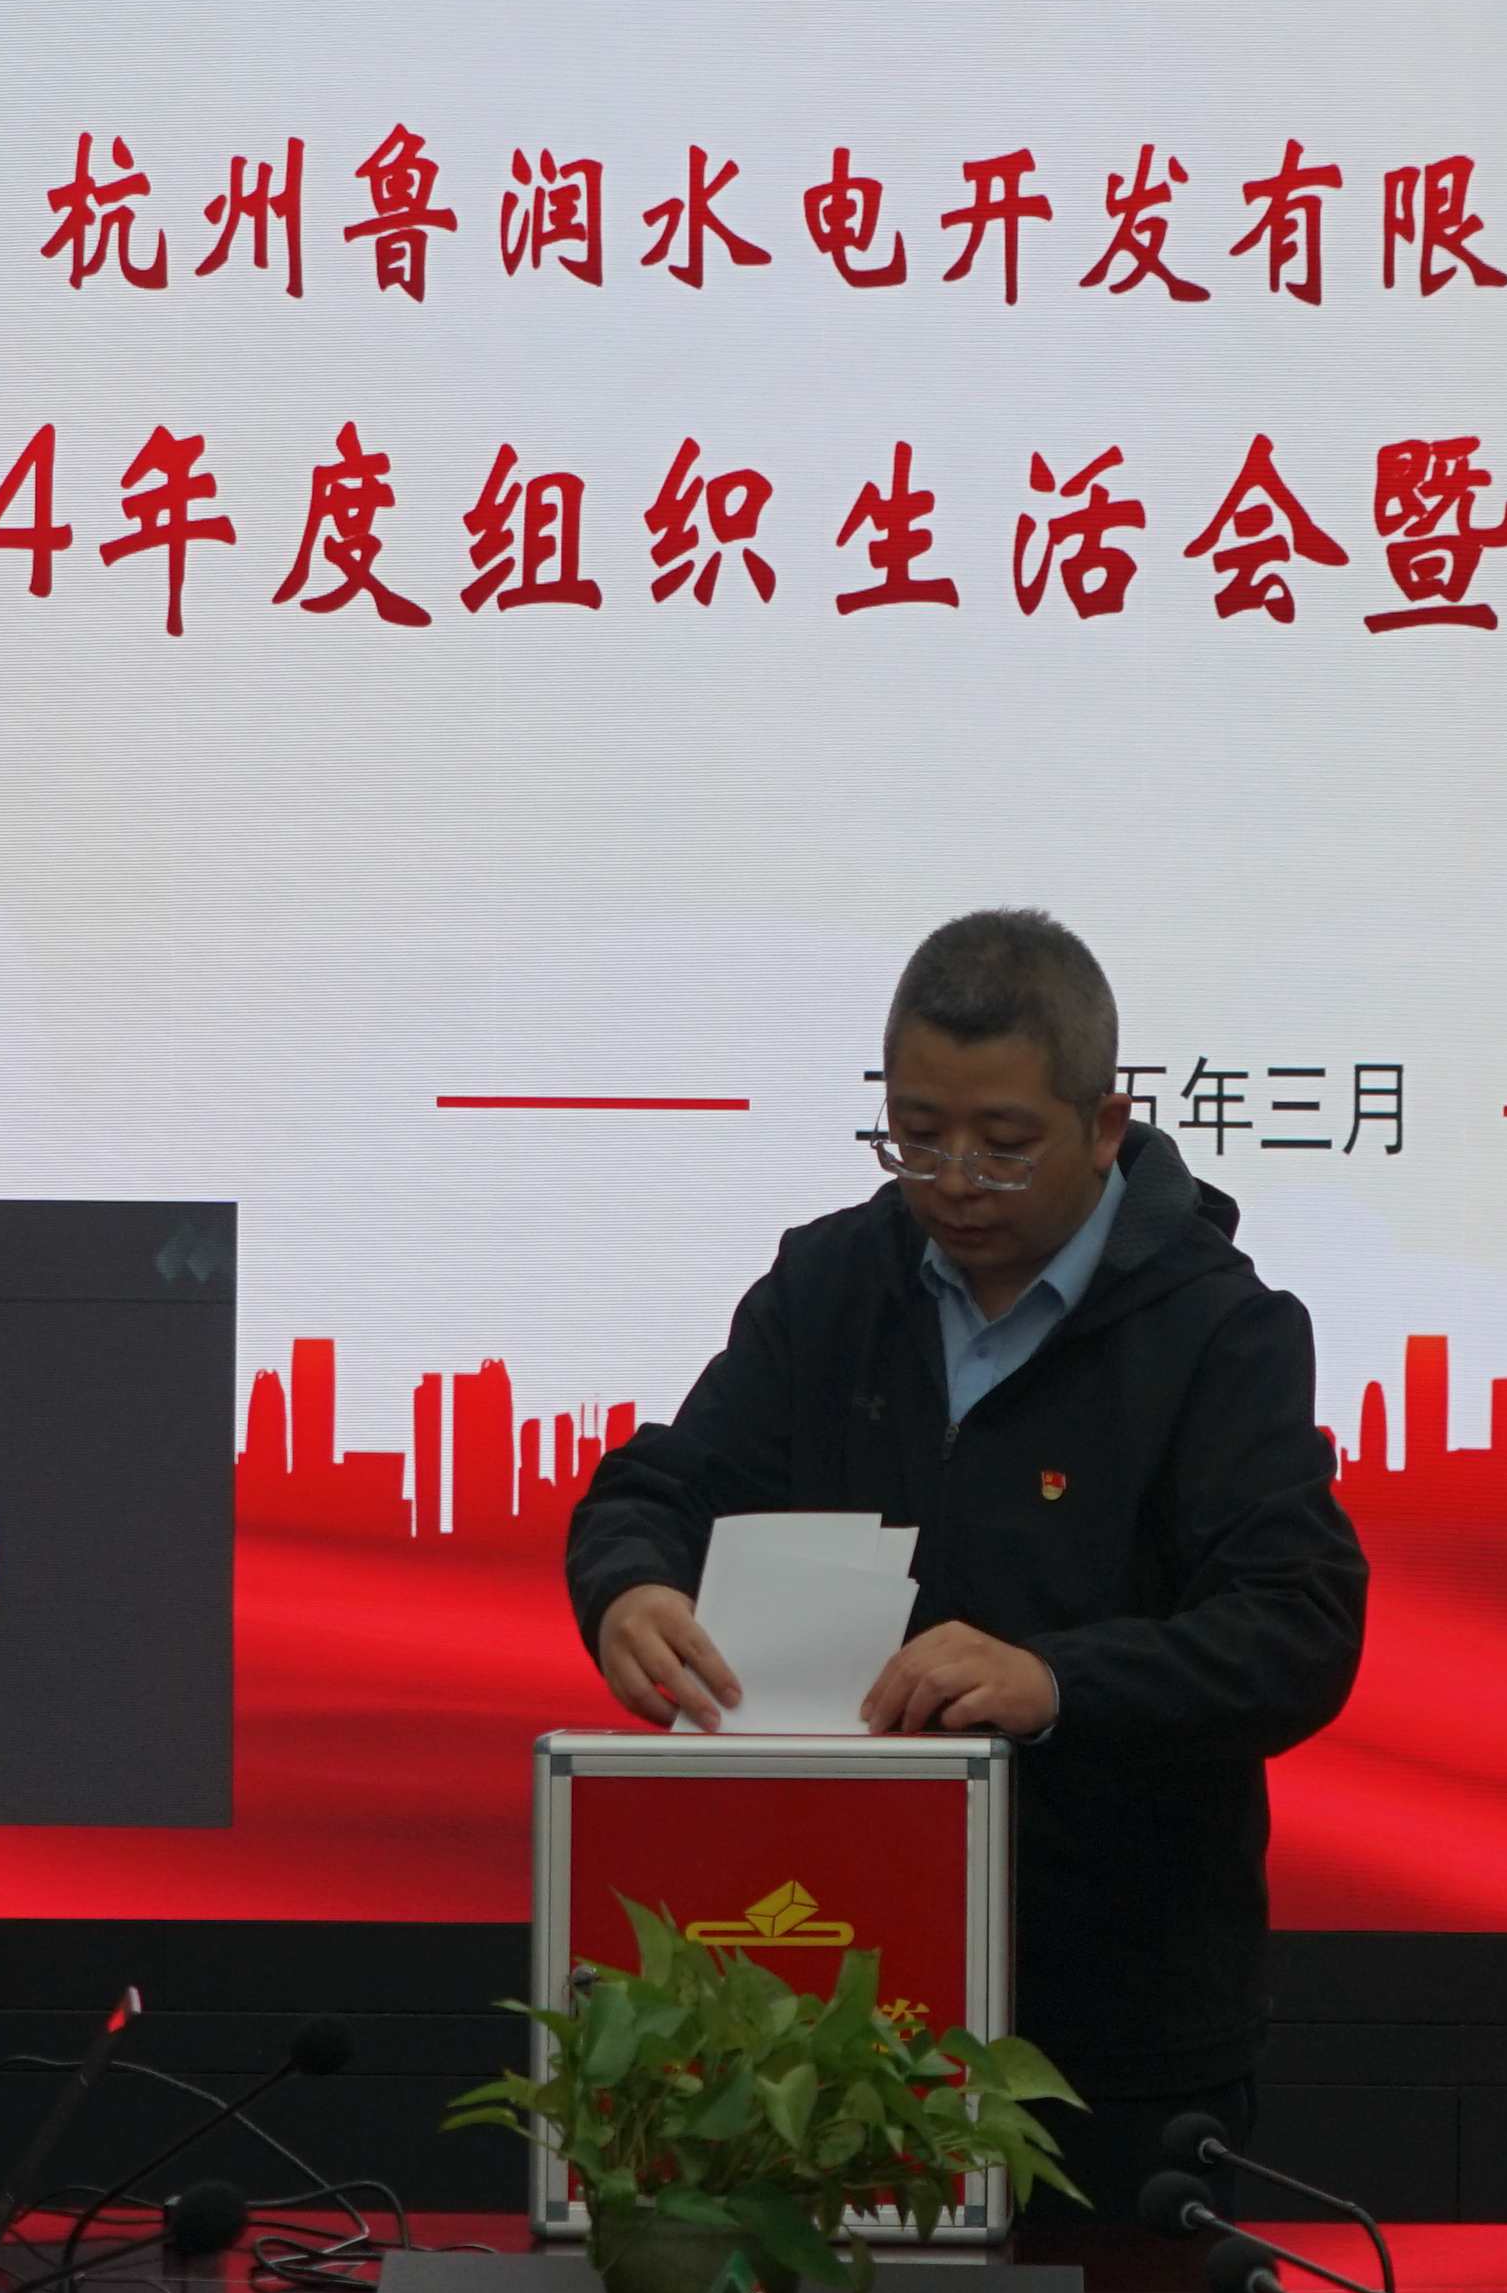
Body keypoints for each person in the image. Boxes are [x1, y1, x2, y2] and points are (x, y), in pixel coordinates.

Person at [572, 909, 1369, 2173]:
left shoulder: (1220, 1332)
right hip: (825, 1994)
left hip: (1117, 2030)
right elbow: (660, 1484)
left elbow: (1297, 1628)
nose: (952, 1180)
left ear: (1103, 1125)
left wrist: (1056, 1680)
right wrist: (630, 1588)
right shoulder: (831, 1285)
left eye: (1003, 1146)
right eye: (917, 1134)